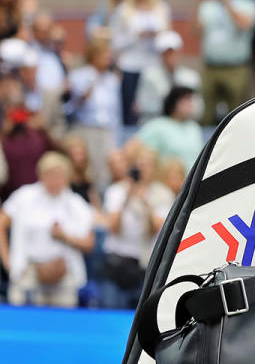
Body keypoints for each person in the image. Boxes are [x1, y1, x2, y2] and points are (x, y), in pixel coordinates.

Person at [0, 151, 95, 308]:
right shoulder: (24, 196)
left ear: (67, 177)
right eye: (49, 174)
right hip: (28, 272)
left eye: (59, 175)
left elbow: (89, 244)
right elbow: (2, 223)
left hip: (64, 275)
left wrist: (64, 236)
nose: (54, 180)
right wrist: (7, 260)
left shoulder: (76, 204)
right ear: (41, 175)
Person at [100, 145, 172, 308]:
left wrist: (145, 203)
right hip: (116, 262)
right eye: (139, 164)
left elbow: (155, 230)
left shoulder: (163, 194)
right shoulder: (116, 191)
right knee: (109, 311)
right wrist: (127, 197)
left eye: (148, 164)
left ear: (155, 168)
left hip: (144, 266)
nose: (143, 169)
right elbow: (113, 227)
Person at [196, 0, 255, 125]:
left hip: (236, 68)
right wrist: (200, 0)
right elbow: (194, 30)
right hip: (211, 67)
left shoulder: (248, 4)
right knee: (206, 116)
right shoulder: (208, 5)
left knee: (236, 117)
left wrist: (225, 0)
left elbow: (244, 24)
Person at [109, 0, 171, 126]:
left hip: (154, 64)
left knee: (156, 107)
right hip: (130, 65)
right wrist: (136, 36)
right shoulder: (123, 10)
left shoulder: (161, 8)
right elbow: (115, 42)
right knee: (130, 111)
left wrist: (157, 35)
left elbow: (168, 37)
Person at [65, 40, 122, 191]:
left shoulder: (112, 80)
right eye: (104, 55)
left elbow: (116, 111)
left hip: (107, 129)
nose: (107, 58)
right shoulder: (79, 75)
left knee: (105, 170)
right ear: (93, 56)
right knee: (88, 167)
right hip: (86, 128)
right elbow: (69, 107)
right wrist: (83, 96)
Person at [135, 30, 202, 122]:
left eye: (173, 52)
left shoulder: (192, 78)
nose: (171, 57)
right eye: (167, 53)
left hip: (184, 125)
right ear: (160, 55)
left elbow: (199, 108)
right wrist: (175, 109)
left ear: (180, 52)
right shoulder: (149, 75)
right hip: (157, 124)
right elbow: (142, 106)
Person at [137, 87, 204, 170]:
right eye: (186, 100)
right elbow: (135, 149)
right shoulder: (158, 125)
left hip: (194, 181)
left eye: (190, 100)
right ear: (174, 103)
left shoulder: (194, 128)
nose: (190, 104)